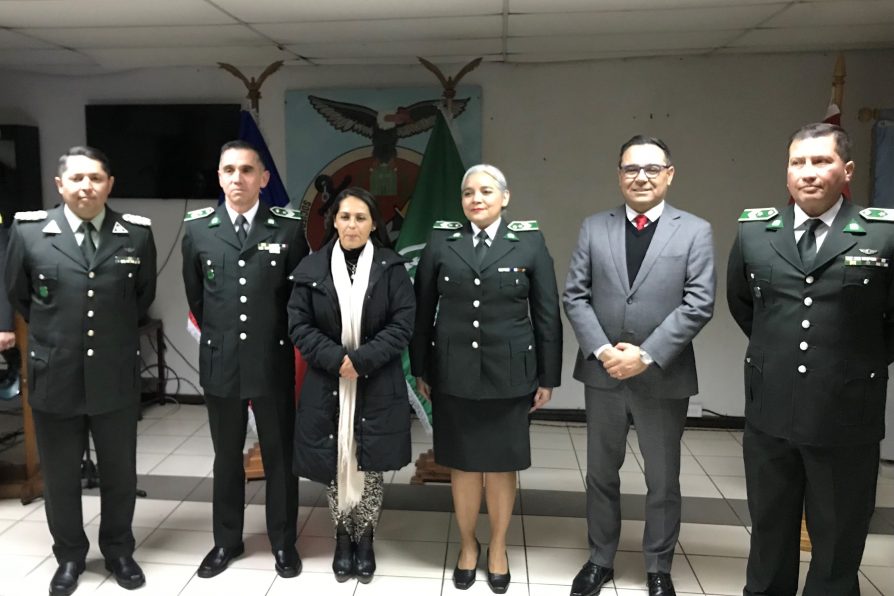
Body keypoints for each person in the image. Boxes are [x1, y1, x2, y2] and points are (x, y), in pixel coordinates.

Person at [728, 122, 893, 595]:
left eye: (821, 161)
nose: (808, 172)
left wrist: (847, 364)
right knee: (769, 539)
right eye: (798, 162)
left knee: (837, 544)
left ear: (847, 170)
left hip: (846, 415)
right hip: (770, 414)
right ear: (786, 173)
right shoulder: (756, 231)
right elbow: (745, 307)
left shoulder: (882, 234)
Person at [563, 135, 715, 596]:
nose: (641, 177)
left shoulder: (694, 230)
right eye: (631, 169)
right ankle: (599, 559)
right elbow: (575, 294)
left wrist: (644, 355)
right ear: (619, 174)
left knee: (663, 478)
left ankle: (658, 567)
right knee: (601, 473)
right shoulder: (594, 227)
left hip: (663, 376)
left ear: (670, 173)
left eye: (652, 168)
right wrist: (605, 351)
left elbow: (699, 302)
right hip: (603, 374)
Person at [5, 146, 156, 596]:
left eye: (95, 178)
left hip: (114, 376)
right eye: (76, 179)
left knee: (119, 473)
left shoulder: (136, 235)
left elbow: (141, 297)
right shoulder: (29, 232)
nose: (86, 186)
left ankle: (118, 550)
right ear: (60, 185)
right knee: (61, 476)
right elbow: (18, 294)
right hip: (56, 376)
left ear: (110, 184)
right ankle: (70, 556)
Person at [410, 164, 562, 594]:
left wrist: (547, 375)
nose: (477, 198)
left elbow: (547, 313)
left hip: (510, 374)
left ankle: (497, 546)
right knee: (461, 465)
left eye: (486, 191)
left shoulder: (528, 243)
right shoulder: (443, 241)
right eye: (469, 192)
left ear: (505, 198)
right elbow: (423, 310)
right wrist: (421, 366)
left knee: (499, 466)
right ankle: (467, 545)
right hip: (453, 372)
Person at [181, 140, 309, 579]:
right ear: (219, 176)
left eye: (247, 170)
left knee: (279, 457)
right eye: (229, 170)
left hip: (271, 363)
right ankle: (226, 541)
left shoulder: (289, 229)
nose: (238, 178)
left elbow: (297, 300)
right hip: (221, 363)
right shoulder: (199, 229)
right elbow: (197, 297)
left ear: (263, 179)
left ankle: (283, 542)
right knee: (226, 457)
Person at [288, 187, 415, 583]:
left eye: (361, 217)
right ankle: (343, 536)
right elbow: (298, 324)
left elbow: (403, 325)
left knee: (369, 460)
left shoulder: (392, 268)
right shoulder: (311, 269)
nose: (352, 225)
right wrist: (336, 361)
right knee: (335, 456)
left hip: (375, 380)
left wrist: (359, 362)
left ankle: (367, 537)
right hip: (328, 381)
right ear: (334, 222)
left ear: (374, 223)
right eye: (345, 217)